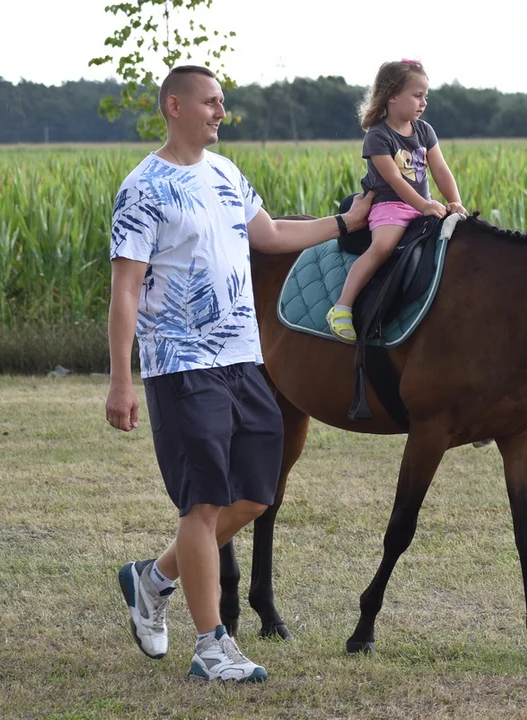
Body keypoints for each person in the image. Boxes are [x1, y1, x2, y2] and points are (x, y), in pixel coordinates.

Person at [105, 65, 372, 683]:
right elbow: (125, 290)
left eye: (223, 103)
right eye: (211, 103)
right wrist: (122, 378)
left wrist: (343, 225)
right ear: (175, 106)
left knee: (255, 493)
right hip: (181, 364)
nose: (220, 113)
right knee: (202, 505)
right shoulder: (143, 189)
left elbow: (272, 234)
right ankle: (211, 647)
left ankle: (154, 578)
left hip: (242, 359)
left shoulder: (226, 175)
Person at [325, 59, 467, 343]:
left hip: (421, 205)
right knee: (383, 247)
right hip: (390, 206)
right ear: (391, 95)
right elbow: (394, 180)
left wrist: (455, 201)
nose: (423, 102)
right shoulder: (378, 136)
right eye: (417, 95)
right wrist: (424, 205)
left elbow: (440, 169)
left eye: (426, 96)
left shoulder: (424, 130)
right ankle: (342, 306)